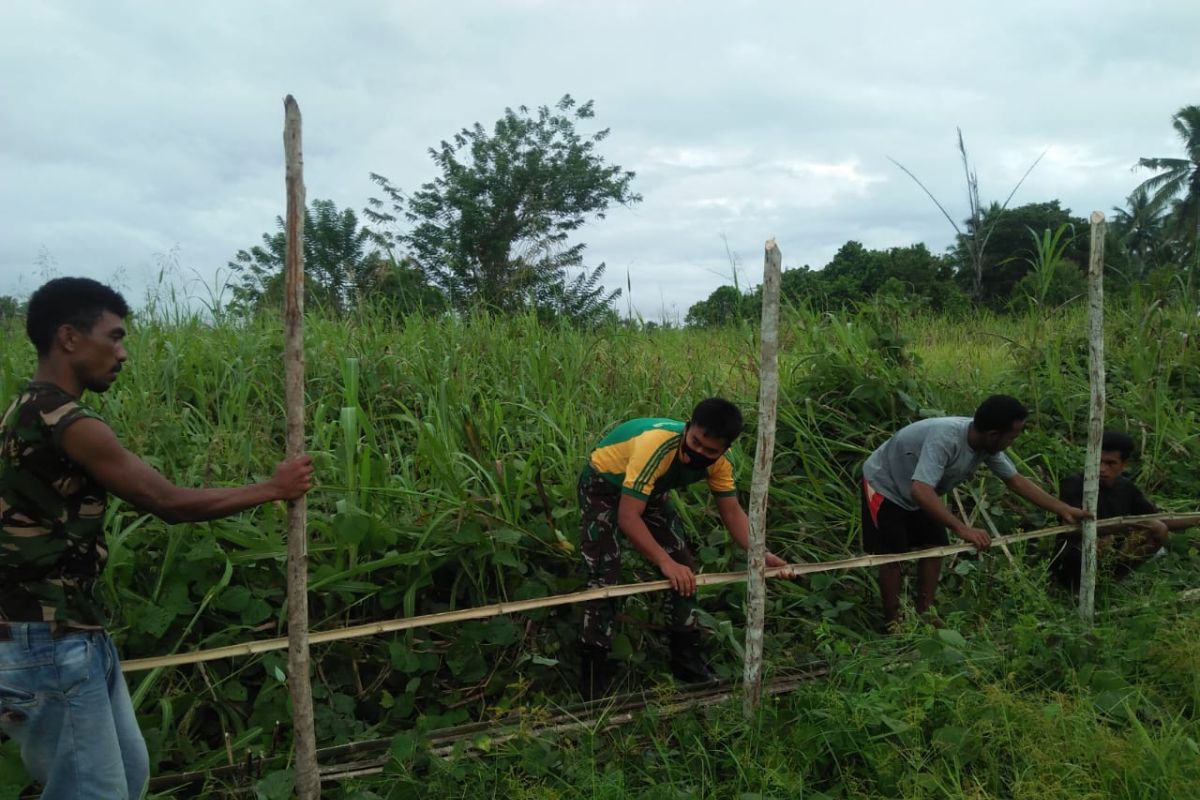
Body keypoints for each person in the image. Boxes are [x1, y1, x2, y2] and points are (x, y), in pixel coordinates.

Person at [0, 278, 314, 800]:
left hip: (70, 631)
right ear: (70, 338)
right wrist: (273, 488)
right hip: (45, 639)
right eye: (115, 337)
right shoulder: (67, 421)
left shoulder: (27, 408)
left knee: (126, 774)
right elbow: (168, 503)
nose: (122, 354)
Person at [576, 397, 790, 699]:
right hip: (603, 484)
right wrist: (664, 562)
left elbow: (732, 512)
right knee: (604, 575)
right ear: (687, 428)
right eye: (696, 442)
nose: (699, 452)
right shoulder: (656, 446)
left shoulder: (720, 465)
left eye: (710, 450)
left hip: (650, 491)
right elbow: (627, 516)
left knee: (684, 566)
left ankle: (685, 658)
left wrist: (761, 554)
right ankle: (594, 675)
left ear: (724, 450)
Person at [860, 394, 1089, 629]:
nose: (1013, 441)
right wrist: (962, 528)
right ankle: (893, 624)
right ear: (993, 435)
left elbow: (1016, 481)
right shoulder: (947, 438)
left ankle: (925, 614)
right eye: (1013, 436)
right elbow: (921, 490)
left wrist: (1064, 509)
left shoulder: (986, 446)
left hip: (920, 490)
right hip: (885, 485)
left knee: (935, 546)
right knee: (893, 556)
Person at [1051, 431, 1192, 590]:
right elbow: (1071, 528)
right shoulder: (1074, 483)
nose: (1102, 469)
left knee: (1158, 529)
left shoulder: (1126, 488)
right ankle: (1073, 587)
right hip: (1076, 554)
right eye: (1098, 462)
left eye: (1111, 463)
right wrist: (1119, 527)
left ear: (1124, 465)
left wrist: (1194, 519)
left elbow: (1156, 518)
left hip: (1113, 551)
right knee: (1103, 542)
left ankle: (1113, 578)